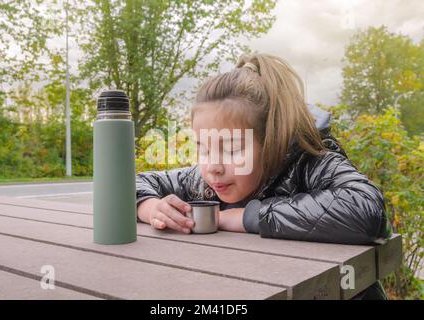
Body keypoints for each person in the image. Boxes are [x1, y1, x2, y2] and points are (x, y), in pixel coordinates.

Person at [135, 53, 391, 299]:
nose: (213, 166)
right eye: (203, 146)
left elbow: (368, 211)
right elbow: (130, 183)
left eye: (232, 148)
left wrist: (247, 217)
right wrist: (149, 207)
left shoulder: (311, 162)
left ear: (270, 141)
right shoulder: (203, 179)